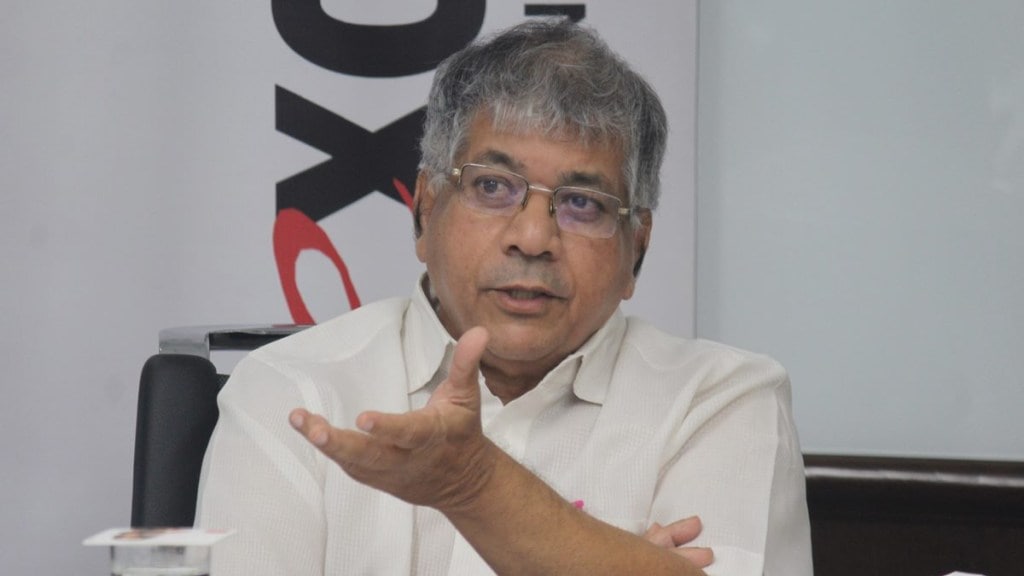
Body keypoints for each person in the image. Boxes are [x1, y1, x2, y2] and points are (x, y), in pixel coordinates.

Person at [196, 18, 812, 575]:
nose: (533, 238)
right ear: (424, 211)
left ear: (637, 249)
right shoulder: (292, 391)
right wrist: (616, 562)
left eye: (582, 203)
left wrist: (471, 483)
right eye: (492, 187)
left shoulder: (722, 402)